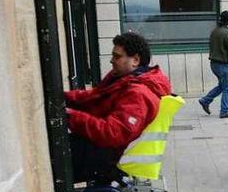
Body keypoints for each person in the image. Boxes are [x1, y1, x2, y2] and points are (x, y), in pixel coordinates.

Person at [64, 32, 171, 183]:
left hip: (103, 155)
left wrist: (70, 116)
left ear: (135, 60)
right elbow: (95, 97)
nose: (111, 61)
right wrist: (65, 98)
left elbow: (113, 132)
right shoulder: (123, 79)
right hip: (97, 146)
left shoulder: (138, 93)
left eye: (117, 56)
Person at [198, 10, 228, 118]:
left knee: (222, 86)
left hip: (214, 64)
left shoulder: (214, 31)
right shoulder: (227, 33)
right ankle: (224, 111)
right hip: (223, 64)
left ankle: (205, 100)